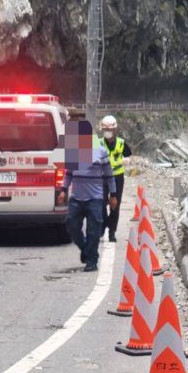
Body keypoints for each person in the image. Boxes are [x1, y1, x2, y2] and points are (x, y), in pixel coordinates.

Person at [57, 120, 116, 272]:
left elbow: (109, 176)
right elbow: (68, 173)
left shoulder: (101, 152)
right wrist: (63, 190)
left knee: (93, 230)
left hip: (95, 199)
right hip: (76, 197)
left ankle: (92, 261)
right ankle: (84, 248)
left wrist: (113, 195)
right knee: (71, 224)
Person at [98, 115, 132, 242]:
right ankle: (102, 227)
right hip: (101, 177)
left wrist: (124, 161)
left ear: (114, 130)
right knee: (100, 204)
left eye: (110, 129)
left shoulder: (121, 143)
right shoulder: (98, 143)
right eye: (106, 129)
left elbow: (129, 156)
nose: (108, 132)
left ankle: (112, 231)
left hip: (117, 177)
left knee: (114, 205)